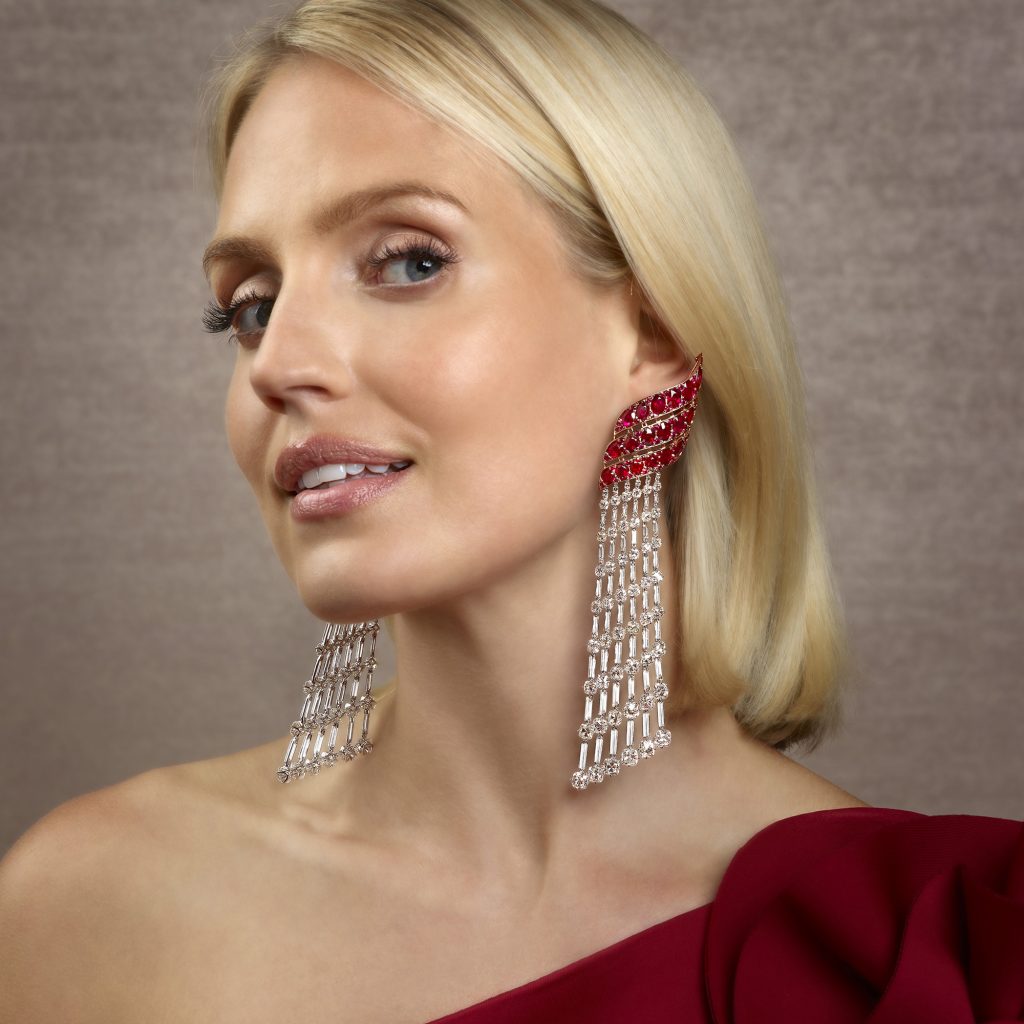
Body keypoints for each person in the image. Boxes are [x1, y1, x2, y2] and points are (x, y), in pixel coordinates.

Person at [1, 1, 1020, 1020]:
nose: (277, 363)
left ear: (654, 331)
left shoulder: (930, 950)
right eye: (252, 306)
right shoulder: (93, 907)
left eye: (409, 261)